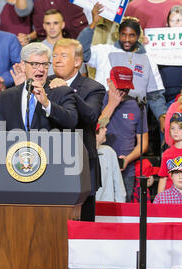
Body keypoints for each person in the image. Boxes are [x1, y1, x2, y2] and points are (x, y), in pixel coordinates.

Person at [78, 12, 168, 132]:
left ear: (138, 36)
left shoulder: (148, 59)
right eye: (123, 35)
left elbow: (155, 95)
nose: (127, 39)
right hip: (103, 111)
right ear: (118, 34)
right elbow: (81, 52)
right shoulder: (104, 51)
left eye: (132, 35)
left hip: (132, 115)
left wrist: (162, 116)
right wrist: (93, 25)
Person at [49, 38, 105, 220]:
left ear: (78, 61)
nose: (57, 60)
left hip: (81, 165)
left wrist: (68, 91)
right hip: (50, 164)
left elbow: (91, 117)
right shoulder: (44, 84)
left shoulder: (93, 88)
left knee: (84, 225)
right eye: (55, 55)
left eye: (63, 56)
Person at [0, 42, 78, 131]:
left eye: (45, 64)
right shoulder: (7, 96)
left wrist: (47, 104)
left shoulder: (61, 92)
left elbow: (72, 122)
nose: (41, 69)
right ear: (23, 66)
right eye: (35, 64)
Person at [98, 66, 149, 202]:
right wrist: (112, 105)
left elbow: (143, 143)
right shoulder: (97, 100)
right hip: (100, 166)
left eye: (126, 88)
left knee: (123, 211)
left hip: (127, 171)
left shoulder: (137, 105)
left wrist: (127, 159)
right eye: (119, 87)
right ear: (109, 82)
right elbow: (96, 130)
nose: (122, 92)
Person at [158, 5, 182, 108]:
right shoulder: (159, 41)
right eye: (172, 20)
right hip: (163, 96)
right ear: (167, 23)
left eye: (179, 20)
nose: (176, 24)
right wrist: (146, 44)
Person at [95, 124, 126, 203]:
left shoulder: (109, 152)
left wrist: (120, 208)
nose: (106, 130)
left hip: (108, 209)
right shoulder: (82, 154)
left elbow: (119, 187)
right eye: (102, 128)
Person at [41, 9, 65, 75]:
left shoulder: (73, 47)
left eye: (56, 23)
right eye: (48, 23)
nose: (51, 27)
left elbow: (81, 76)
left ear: (62, 25)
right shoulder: (37, 49)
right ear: (44, 26)